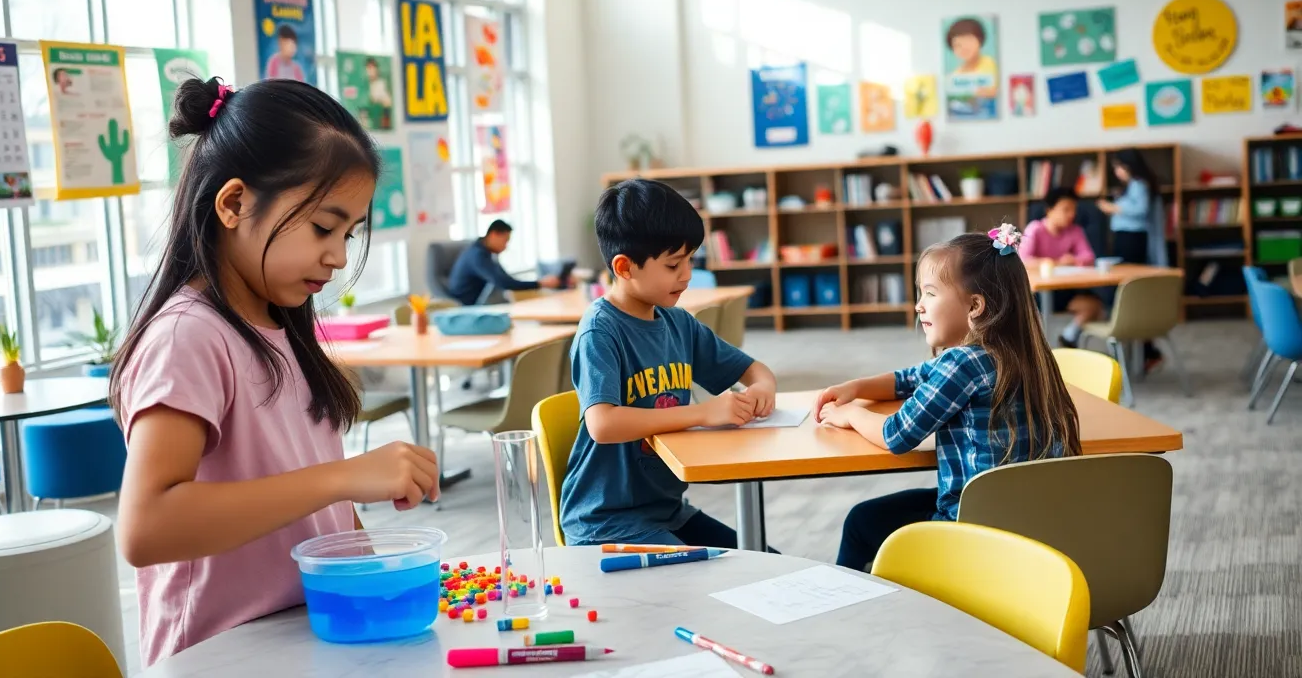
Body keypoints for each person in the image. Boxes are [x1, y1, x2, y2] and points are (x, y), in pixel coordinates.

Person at [110, 77, 440, 667]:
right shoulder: (190, 335)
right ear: (234, 203)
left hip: (301, 644)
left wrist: (367, 567)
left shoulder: (282, 326)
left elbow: (313, 506)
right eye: (323, 227)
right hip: (219, 658)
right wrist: (343, 478)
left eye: (349, 234)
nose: (338, 255)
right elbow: (145, 528)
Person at [812, 226, 1081, 571]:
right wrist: (859, 386)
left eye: (930, 294)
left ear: (975, 305)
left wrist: (849, 413)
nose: (918, 306)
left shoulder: (963, 363)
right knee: (872, 518)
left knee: (862, 523)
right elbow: (912, 378)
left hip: (971, 532)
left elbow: (897, 434)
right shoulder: (1028, 355)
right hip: (1031, 524)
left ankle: (854, 613)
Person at [560, 178, 778, 547]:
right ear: (625, 267)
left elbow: (754, 369)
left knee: (768, 562)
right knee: (719, 582)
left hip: (666, 511)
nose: (687, 274)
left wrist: (762, 387)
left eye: (691, 259)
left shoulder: (677, 323)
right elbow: (603, 424)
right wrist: (702, 413)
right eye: (673, 264)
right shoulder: (600, 332)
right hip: (605, 522)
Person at [1098, 148, 1167, 369]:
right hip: (1127, 237)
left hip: (1132, 238)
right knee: (1126, 286)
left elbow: (1140, 210)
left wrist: (1113, 207)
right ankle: (1143, 348)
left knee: (1126, 285)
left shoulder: (1139, 184)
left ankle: (1145, 347)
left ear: (1128, 166)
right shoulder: (1135, 186)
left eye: (1118, 167)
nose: (1117, 171)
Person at [1019, 187, 1101, 348]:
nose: (1071, 214)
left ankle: (1068, 337)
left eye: (1074, 210)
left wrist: (1073, 260)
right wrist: (1058, 262)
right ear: (1049, 210)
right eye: (1066, 209)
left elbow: (1089, 258)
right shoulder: (1035, 229)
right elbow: (1023, 259)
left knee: (1095, 306)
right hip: (1037, 292)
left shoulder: (1075, 231)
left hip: (1064, 289)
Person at [448, 219, 560, 306]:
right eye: (505, 240)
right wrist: (540, 283)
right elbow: (504, 283)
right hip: (468, 307)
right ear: (494, 234)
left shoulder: (486, 253)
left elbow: (505, 278)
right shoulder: (477, 255)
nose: (505, 246)